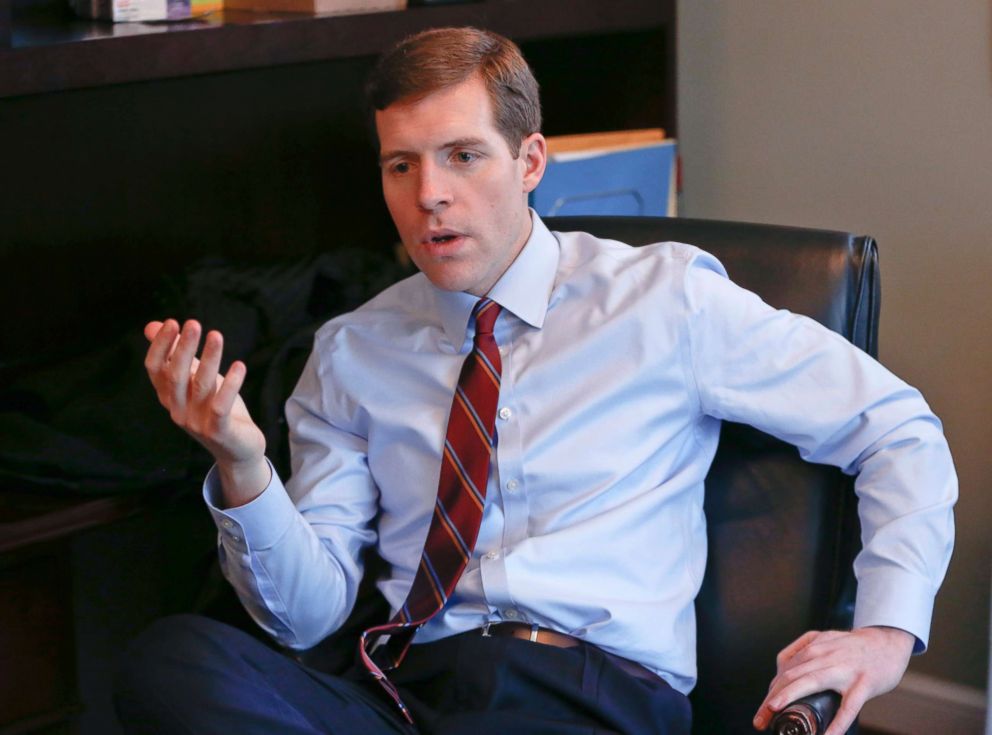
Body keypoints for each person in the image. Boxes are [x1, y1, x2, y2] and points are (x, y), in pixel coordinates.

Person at [118, 26, 956, 735]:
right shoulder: (351, 351)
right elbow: (305, 616)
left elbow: (895, 426)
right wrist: (240, 464)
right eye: (400, 166)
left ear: (530, 161)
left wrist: (884, 632)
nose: (430, 196)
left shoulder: (664, 301)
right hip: (408, 692)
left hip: (591, 693)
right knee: (172, 660)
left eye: (462, 156)